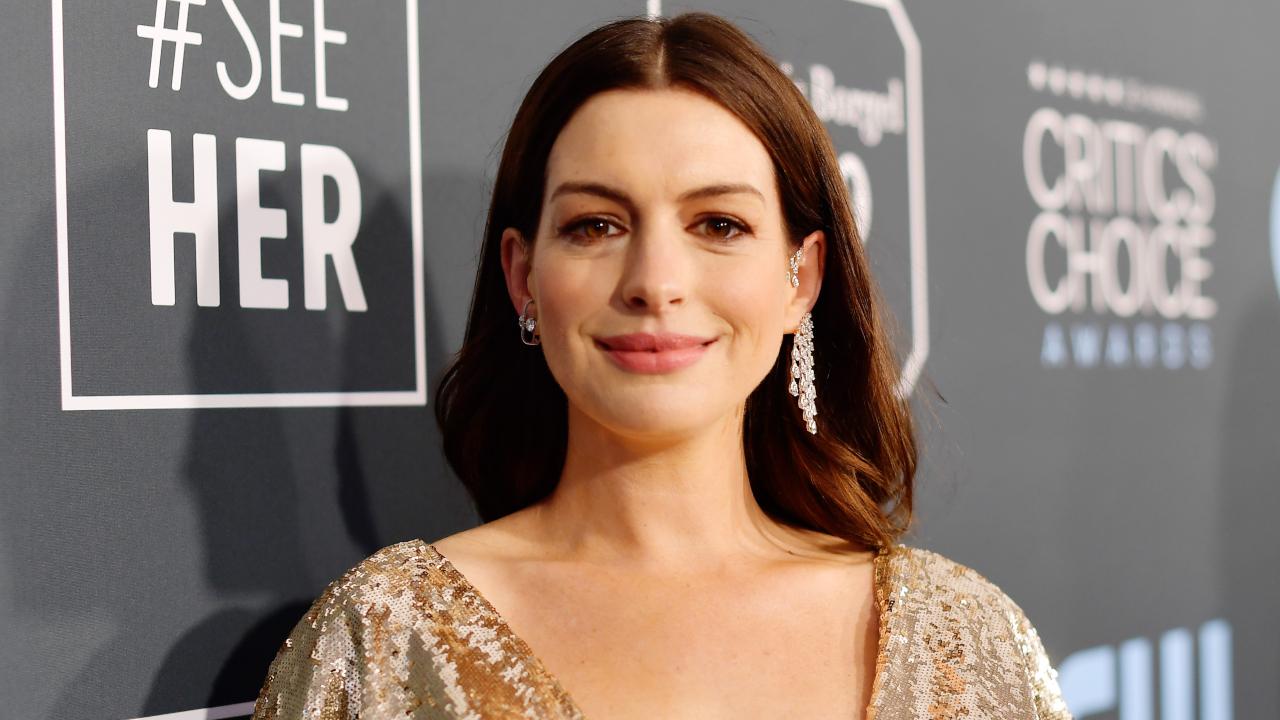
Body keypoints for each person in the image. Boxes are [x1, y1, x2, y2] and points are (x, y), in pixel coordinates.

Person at [252, 13, 1071, 720]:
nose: (655, 282)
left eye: (718, 225)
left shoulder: (966, 641)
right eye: (595, 225)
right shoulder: (382, 640)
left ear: (802, 280)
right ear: (523, 277)